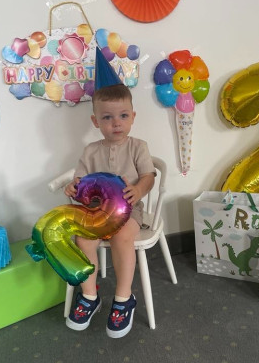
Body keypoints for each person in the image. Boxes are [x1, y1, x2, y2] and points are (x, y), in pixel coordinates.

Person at [64, 83, 155, 338]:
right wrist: (73, 187)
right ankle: (89, 295)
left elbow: (149, 176)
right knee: (83, 239)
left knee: (122, 236)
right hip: (97, 211)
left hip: (129, 209)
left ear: (133, 117)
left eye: (123, 115)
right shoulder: (91, 151)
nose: (116, 123)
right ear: (96, 121)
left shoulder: (138, 146)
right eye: (107, 117)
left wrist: (138, 189)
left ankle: (124, 298)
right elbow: (80, 182)